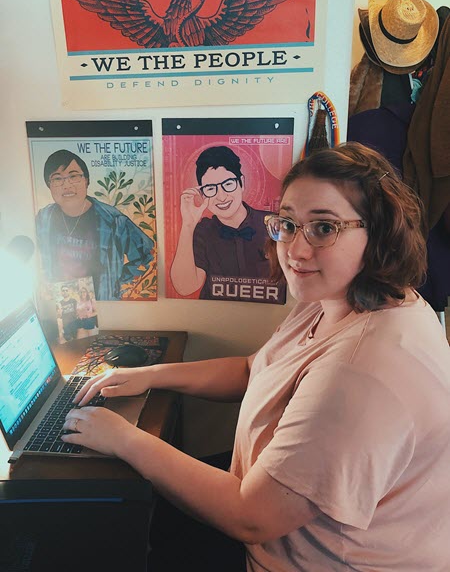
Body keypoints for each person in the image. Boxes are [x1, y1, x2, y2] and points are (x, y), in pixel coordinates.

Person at [62, 143, 450, 571]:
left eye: (324, 228)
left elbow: (251, 518)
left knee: (106, 532)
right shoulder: (342, 297)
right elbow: (255, 369)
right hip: (267, 507)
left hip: (309, 556)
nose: (296, 250)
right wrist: (152, 374)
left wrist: (123, 438)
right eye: (287, 224)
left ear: (379, 232)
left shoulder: (362, 372)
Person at [170, 146, 284, 304]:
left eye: (228, 184)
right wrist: (188, 224)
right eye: (211, 189)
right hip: (212, 319)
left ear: (241, 183)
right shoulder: (202, 230)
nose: (221, 196)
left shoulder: (271, 224)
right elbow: (185, 287)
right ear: (202, 193)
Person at [35, 149, 154, 301]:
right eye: (57, 179)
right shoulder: (43, 219)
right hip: (62, 303)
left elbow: (147, 255)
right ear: (49, 185)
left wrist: (119, 285)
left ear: (86, 180)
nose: (67, 185)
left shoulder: (113, 220)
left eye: (74, 176)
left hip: (103, 303)